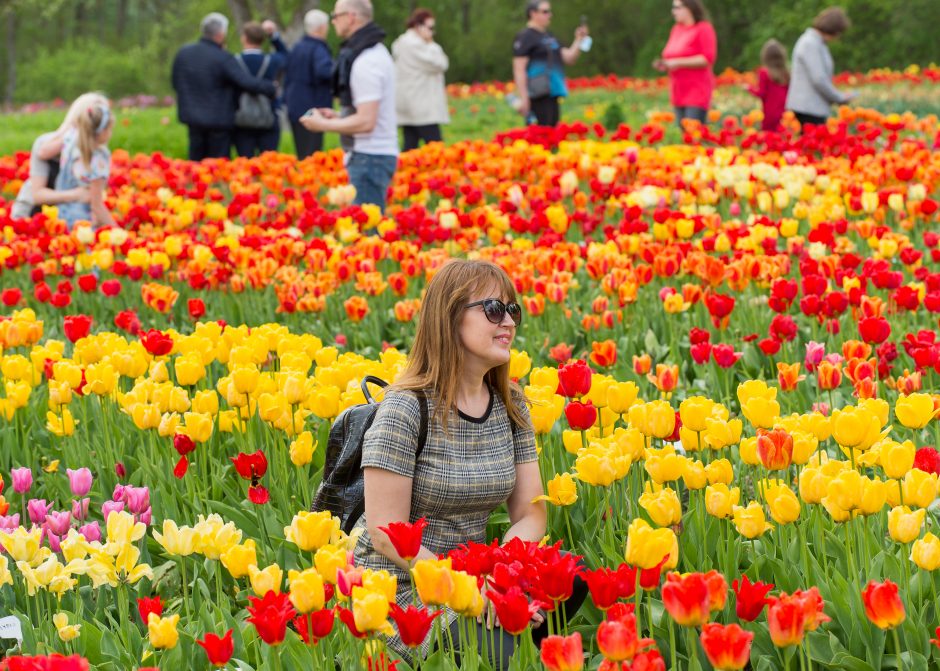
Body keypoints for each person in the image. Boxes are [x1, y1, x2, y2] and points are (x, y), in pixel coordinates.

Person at [300, 0, 398, 211]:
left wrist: (322, 125)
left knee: (367, 236)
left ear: (351, 17)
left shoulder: (366, 60)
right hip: (372, 155)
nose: (333, 21)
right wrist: (339, 116)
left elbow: (366, 121)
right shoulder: (375, 52)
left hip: (370, 157)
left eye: (336, 16)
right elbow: (369, 113)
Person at [171, 12, 277, 161]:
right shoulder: (222, 57)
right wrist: (270, 88)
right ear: (221, 35)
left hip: (192, 117)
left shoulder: (184, 53)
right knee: (218, 166)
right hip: (218, 121)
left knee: (195, 161)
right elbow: (244, 81)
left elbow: (176, 82)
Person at [11, 93, 106, 219]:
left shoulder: (98, 153)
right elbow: (37, 195)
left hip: (65, 215)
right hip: (30, 214)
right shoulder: (45, 143)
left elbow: (93, 199)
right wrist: (75, 195)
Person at [512, 1, 589, 127]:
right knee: (540, 134)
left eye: (549, 11)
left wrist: (579, 40)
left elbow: (569, 58)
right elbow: (519, 69)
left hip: (553, 92)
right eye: (545, 11)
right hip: (536, 95)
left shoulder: (550, 36)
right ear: (533, 13)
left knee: (553, 132)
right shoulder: (525, 36)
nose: (549, 15)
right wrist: (524, 98)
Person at [786, 7, 855, 129]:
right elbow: (819, 79)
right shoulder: (810, 43)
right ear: (833, 29)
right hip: (809, 107)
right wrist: (839, 97)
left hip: (812, 106)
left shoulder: (817, 43)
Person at [392, 8, 450, 151]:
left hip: (409, 106)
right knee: (437, 149)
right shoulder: (416, 46)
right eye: (430, 27)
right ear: (418, 26)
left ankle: (406, 172)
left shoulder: (401, 43)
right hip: (422, 108)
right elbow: (441, 64)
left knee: (410, 147)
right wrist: (431, 43)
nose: (432, 32)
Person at [55, 99, 116, 230]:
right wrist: (119, 232)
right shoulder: (98, 160)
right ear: (102, 132)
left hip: (60, 215)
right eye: (110, 129)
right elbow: (97, 206)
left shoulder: (70, 142)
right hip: (83, 220)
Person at [654, 0, 717, 128]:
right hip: (678, 91)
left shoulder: (703, 28)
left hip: (696, 91)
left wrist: (677, 62)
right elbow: (670, 54)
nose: (673, 12)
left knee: (693, 134)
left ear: (689, 8)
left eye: (676, 7)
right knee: (683, 136)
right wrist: (665, 64)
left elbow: (707, 59)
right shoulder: (676, 29)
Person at [232, 21, 287, 157]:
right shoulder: (272, 61)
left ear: (244, 38)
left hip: (241, 118)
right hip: (268, 116)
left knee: (244, 163)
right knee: (268, 163)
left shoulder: (233, 61)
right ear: (262, 40)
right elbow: (286, 56)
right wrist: (273, 36)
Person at [284, 10, 334, 158]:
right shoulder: (318, 48)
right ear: (322, 27)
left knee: (302, 152)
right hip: (313, 108)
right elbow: (324, 71)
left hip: (295, 105)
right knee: (312, 155)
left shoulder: (297, 47)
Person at [746, 39, 790, 132]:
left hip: (769, 112)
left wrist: (749, 88)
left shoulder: (764, 72)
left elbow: (762, 93)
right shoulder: (786, 73)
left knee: (768, 137)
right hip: (785, 112)